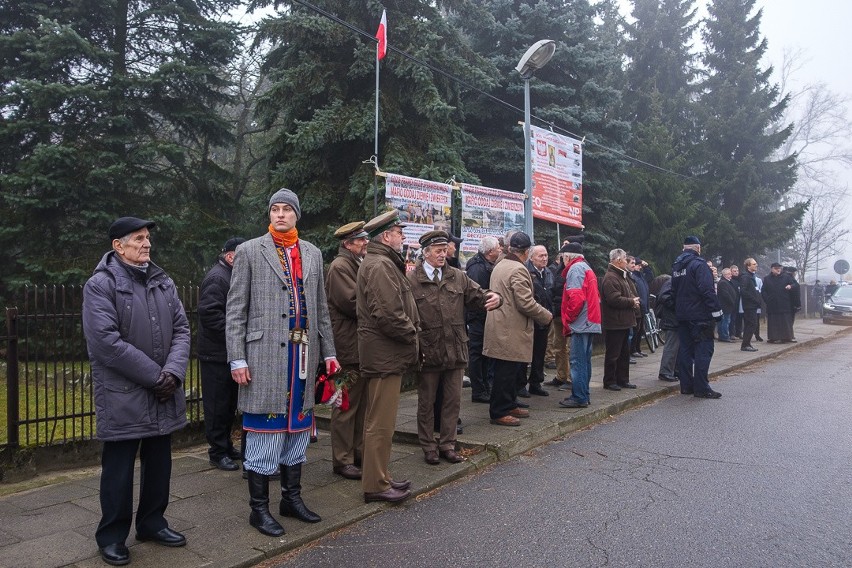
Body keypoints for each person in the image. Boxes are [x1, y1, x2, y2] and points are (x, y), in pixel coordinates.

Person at [226, 188, 338, 537]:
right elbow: (235, 310)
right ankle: (258, 510)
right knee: (265, 429)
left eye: (287, 209)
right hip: (263, 355)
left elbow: (319, 307)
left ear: (296, 215)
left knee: (298, 427)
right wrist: (236, 358)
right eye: (274, 209)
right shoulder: (249, 251)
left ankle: (291, 499)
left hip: (303, 355)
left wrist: (330, 352)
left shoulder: (313, 254)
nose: (280, 214)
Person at [82, 217, 191, 566]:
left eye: (148, 238)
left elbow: (182, 329)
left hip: (162, 389)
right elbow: (105, 343)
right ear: (118, 245)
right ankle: (112, 535)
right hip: (124, 393)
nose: (146, 244)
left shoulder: (162, 281)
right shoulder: (100, 285)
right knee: (119, 468)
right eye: (139, 238)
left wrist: (172, 372)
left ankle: (152, 523)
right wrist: (156, 376)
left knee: (160, 462)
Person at [409, 230, 500, 464]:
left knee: (453, 400)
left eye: (444, 250)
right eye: (438, 251)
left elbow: (477, 294)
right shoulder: (411, 280)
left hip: (456, 347)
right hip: (428, 350)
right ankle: (429, 446)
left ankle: (447, 444)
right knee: (427, 402)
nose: (443, 255)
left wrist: (492, 297)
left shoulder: (457, 276)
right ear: (426, 253)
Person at [356, 209, 419, 503]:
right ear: (386, 236)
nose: (402, 236)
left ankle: (379, 476)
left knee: (381, 421)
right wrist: (412, 334)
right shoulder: (380, 265)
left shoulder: (382, 262)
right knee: (380, 422)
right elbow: (389, 314)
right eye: (399, 232)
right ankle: (375, 485)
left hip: (384, 353)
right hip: (384, 353)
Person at [483, 232, 552, 426]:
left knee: (508, 370)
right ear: (527, 252)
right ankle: (499, 411)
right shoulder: (518, 269)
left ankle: (509, 403)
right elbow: (525, 303)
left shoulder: (500, 264)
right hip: (510, 328)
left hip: (501, 325)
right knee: (506, 372)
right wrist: (546, 316)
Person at [325, 221, 370, 481]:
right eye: (360, 240)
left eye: (364, 239)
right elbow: (352, 303)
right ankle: (342, 460)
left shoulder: (356, 264)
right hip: (346, 348)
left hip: (358, 347)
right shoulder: (340, 267)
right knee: (345, 404)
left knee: (360, 404)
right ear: (347, 243)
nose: (365, 243)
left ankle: (356, 453)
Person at [198, 237, 246, 472]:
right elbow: (210, 315)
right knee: (217, 406)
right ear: (230, 257)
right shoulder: (218, 278)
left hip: (224, 352)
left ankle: (225, 446)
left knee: (227, 405)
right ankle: (216, 452)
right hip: (215, 355)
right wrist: (236, 334)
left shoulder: (229, 275)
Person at [671, 236, 723, 398]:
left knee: (685, 350)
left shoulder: (677, 267)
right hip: (700, 316)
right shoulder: (699, 265)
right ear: (698, 248)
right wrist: (717, 312)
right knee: (703, 350)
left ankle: (686, 386)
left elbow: (674, 291)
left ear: (684, 248)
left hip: (682, 315)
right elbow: (707, 290)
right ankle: (701, 387)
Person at [557, 240, 601, 408]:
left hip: (581, 322)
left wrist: (568, 317)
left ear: (568, 256)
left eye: (563, 257)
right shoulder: (585, 267)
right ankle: (584, 394)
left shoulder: (575, 269)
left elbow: (575, 298)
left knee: (577, 361)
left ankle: (579, 396)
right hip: (590, 320)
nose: (562, 261)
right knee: (585, 360)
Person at [464, 236, 501, 403]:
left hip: (483, 317)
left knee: (484, 353)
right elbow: (477, 296)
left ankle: (485, 386)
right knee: (477, 354)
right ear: (490, 251)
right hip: (478, 318)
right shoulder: (478, 268)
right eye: (498, 248)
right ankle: (478, 390)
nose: (500, 250)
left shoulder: (485, 264)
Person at [601, 248, 640, 391]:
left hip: (623, 322)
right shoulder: (611, 277)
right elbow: (613, 299)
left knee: (624, 354)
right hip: (615, 323)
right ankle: (610, 381)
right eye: (624, 259)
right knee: (613, 354)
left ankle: (623, 379)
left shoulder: (620, 275)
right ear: (618, 261)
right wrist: (631, 302)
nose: (626, 261)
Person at [520, 244, 553, 397]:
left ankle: (536, 383)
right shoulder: (525, 271)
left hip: (544, 319)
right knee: (524, 354)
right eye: (541, 256)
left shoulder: (548, 272)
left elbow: (551, 293)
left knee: (539, 353)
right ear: (531, 257)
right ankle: (520, 385)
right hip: (529, 319)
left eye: (546, 255)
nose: (544, 258)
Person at [652, 275, 680, 382]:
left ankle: (672, 370)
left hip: (674, 318)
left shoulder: (674, 281)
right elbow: (664, 296)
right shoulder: (672, 281)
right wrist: (676, 306)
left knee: (675, 346)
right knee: (671, 346)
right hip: (671, 318)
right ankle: (666, 372)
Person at [761, 263, 797, 343]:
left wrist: (790, 286)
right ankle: (774, 337)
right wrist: (767, 300)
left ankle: (787, 337)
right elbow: (763, 291)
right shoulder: (767, 279)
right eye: (776, 268)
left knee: (785, 321)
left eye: (779, 268)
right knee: (774, 322)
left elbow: (794, 284)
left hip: (784, 303)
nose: (778, 270)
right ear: (772, 269)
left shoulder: (786, 277)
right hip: (772, 304)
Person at [629, 256, 650, 358]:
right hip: (637, 307)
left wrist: (647, 267)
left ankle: (637, 349)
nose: (639, 267)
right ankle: (632, 350)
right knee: (635, 330)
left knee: (640, 330)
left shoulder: (641, 276)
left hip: (643, 307)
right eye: (638, 265)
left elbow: (650, 277)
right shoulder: (633, 277)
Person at [739, 258, 761, 352]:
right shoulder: (746, 277)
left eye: (756, 264)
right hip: (749, 305)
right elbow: (743, 291)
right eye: (754, 264)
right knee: (751, 324)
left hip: (752, 305)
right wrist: (754, 300)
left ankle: (747, 343)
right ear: (748, 266)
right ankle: (745, 345)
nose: (756, 265)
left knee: (751, 324)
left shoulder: (752, 276)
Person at [715, 268, 737, 343]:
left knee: (724, 321)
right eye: (729, 274)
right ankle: (724, 336)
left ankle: (723, 336)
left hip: (726, 305)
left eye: (730, 274)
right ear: (724, 275)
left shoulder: (726, 282)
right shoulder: (723, 283)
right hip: (725, 306)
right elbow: (726, 295)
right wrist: (732, 302)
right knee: (725, 321)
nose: (730, 275)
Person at [728, 264, 743, 339]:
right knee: (732, 318)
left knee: (739, 318)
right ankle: (731, 333)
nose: (736, 272)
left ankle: (739, 332)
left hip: (739, 302)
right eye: (734, 271)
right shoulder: (730, 281)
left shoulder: (740, 280)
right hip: (733, 302)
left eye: (737, 271)